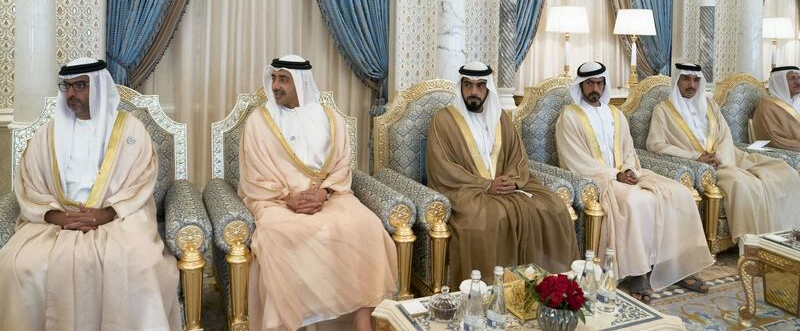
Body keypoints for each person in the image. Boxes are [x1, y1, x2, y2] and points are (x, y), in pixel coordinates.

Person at [0, 57, 180, 330]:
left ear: (98, 87)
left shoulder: (131, 130)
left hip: (118, 220)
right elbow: (30, 184)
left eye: (80, 86)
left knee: (139, 264)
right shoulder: (47, 135)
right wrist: (56, 217)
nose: (71, 94)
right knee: (18, 263)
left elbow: (140, 181)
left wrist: (105, 214)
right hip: (57, 222)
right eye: (67, 87)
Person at [239, 55, 397, 331]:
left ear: (301, 83)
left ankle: (362, 321)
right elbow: (254, 175)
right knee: (278, 235)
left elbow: (342, 164)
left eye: (283, 79)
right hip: (276, 200)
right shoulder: (258, 122)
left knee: (365, 225)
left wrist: (324, 192)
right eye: (274, 78)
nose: (275, 86)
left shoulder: (330, 118)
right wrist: (288, 198)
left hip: (330, 196)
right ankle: (298, 323)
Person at [555, 61, 712, 303]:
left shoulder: (616, 114)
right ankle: (638, 272)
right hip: (598, 179)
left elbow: (628, 151)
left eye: (599, 83)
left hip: (629, 174)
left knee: (679, 193)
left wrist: (628, 170)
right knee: (636, 201)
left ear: (604, 84)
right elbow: (574, 159)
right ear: (581, 85)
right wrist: (613, 175)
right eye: (589, 83)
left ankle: (678, 266)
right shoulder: (569, 116)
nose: (594, 88)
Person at [425, 61, 579, 285]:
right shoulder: (444, 120)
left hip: (506, 186)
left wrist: (513, 182)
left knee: (552, 206)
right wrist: (486, 185)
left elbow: (517, 157)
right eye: (468, 86)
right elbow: (442, 167)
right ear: (460, 88)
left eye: (480, 86)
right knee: (482, 220)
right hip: (465, 189)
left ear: (488, 89)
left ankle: (544, 283)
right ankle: (487, 288)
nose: (473, 92)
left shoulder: (501, 118)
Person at [648, 63, 800, 242]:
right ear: (677, 80)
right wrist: (696, 157)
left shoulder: (710, 104)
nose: (692, 84)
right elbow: (655, 144)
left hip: (728, 158)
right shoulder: (663, 109)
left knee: (784, 171)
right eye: (686, 79)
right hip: (702, 166)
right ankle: (754, 243)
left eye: (696, 80)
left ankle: (786, 236)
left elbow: (725, 135)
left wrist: (720, 156)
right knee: (743, 184)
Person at [752, 65, 800, 151]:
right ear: (780, 82)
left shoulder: (797, 101)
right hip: (785, 154)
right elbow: (774, 141)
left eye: (798, 78)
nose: (797, 82)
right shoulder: (767, 106)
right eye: (791, 79)